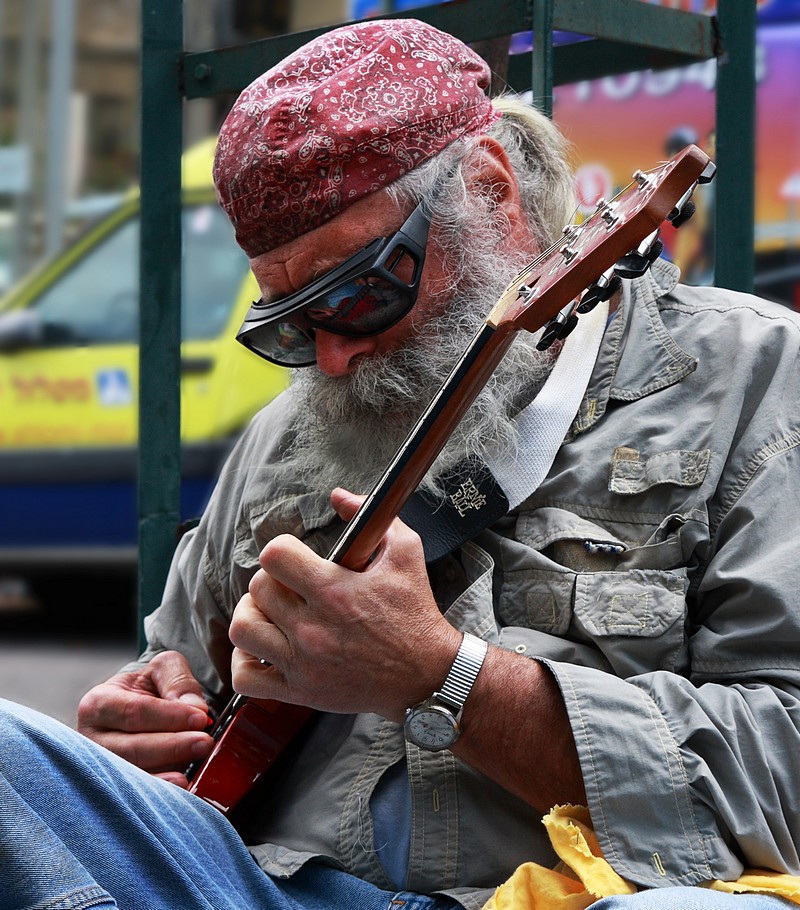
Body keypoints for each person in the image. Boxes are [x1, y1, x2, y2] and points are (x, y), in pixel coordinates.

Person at [1, 17, 799, 910]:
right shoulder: (285, 438)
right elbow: (175, 684)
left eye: (359, 292)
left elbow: (788, 775)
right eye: (292, 326)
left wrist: (447, 677)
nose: (334, 358)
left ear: (493, 193)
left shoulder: (755, 379)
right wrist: (136, 732)